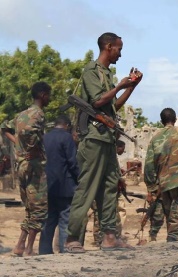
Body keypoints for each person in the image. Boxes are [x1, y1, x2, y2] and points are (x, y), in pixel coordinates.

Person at [65, 32, 142, 253]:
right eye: (118, 48)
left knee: (110, 186)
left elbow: (111, 107)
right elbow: (97, 100)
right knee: (87, 187)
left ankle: (109, 236)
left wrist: (131, 87)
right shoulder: (92, 71)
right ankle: (73, 238)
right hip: (94, 138)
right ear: (109, 47)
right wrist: (119, 86)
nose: (120, 53)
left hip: (107, 138)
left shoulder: (106, 74)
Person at [144, 108, 178, 242]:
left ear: (161, 121)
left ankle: (171, 242)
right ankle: (173, 242)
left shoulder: (155, 138)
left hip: (163, 183)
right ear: (174, 120)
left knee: (169, 213)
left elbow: (149, 165)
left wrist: (152, 187)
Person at [11, 81, 51, 256]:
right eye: (48, 95)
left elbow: (5, 127)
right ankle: (29, 249)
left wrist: (21, 149)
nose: (49, 98)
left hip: (21, 166)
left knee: (29, 208)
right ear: (43, 95)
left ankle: (20, 245)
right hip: (34, 167)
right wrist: (32, 150)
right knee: (39, 208)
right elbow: (31, 133)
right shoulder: (38, 114)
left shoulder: (22, 114)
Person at [39, 114, 78, 254]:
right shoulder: (66, 137)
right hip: (65, 187)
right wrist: (80, 180)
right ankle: (64, 252)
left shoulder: (45, 137)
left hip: (47, 186)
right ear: (67, 126)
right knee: (64, 221)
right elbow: (73, 163)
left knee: (48, 221)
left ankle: (44, 252)